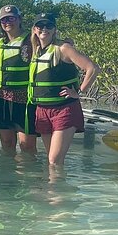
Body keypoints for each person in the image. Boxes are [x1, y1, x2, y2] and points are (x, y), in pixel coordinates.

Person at [29, 13, 100, 165]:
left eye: (49, 26)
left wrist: (79, 91)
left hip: (64, 109)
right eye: (40, 26)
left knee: (54, 160)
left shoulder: (64, 48)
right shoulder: (35, 51)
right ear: (35, 30)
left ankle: (55, 188)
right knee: (51, 161)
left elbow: (92, 68)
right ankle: (53, 188)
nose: (44, 29)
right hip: (42, 110)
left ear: (54, 30)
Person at [0, 5, 38, 153]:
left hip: (24, 99)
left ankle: (27, 175)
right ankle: (7, 175)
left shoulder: (32, 40)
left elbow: (51, 45)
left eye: (11, 18)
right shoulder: (0, 43)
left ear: (19, 19)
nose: (7, 22)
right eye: (4, 19)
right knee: (7, 144)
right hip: (0, 97)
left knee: (26, 146)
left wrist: (67, 42)